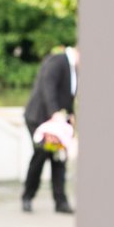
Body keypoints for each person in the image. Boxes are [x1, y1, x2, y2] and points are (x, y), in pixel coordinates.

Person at [21, 44, 78, 213]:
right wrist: (54, 112)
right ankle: (27, 197)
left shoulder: (75, 68)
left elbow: (68, 95)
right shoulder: (58, 61)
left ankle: (61, 202)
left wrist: (70, 115)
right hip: (39, 118)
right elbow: (48, 88)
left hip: (58, 124)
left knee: (59, 158)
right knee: (41, 155)